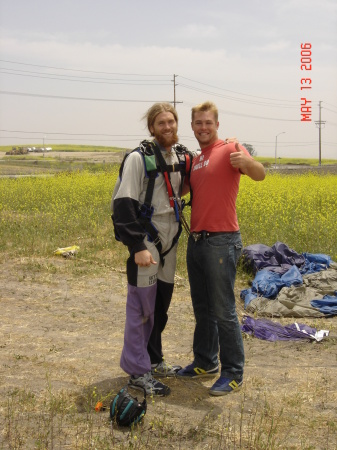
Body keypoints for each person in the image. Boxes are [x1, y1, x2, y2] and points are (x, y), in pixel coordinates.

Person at [177, 101, 265, 396]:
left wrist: (248, 163)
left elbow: (259, 174)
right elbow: (179, 190)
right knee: (202, 308)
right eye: (198, 123)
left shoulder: (229, 149)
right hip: (197, 241)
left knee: (224, 310)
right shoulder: (196, 159)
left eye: (208, 123)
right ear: (192, 127)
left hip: (222, 240)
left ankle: (233, 372)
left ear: (217, 125)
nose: (203, 127)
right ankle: (205, 361)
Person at [112, 102, 193, 396]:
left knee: (159, 308)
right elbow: (122, 206)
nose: (167, 127)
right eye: (161, 123)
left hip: (169, 244)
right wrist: (137, 246)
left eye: (171, 122)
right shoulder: (137, 158)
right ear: (151, 128)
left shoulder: (181, 156)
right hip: (146, 242)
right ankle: (137, 373)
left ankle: (154, 359)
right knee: (141, 310)